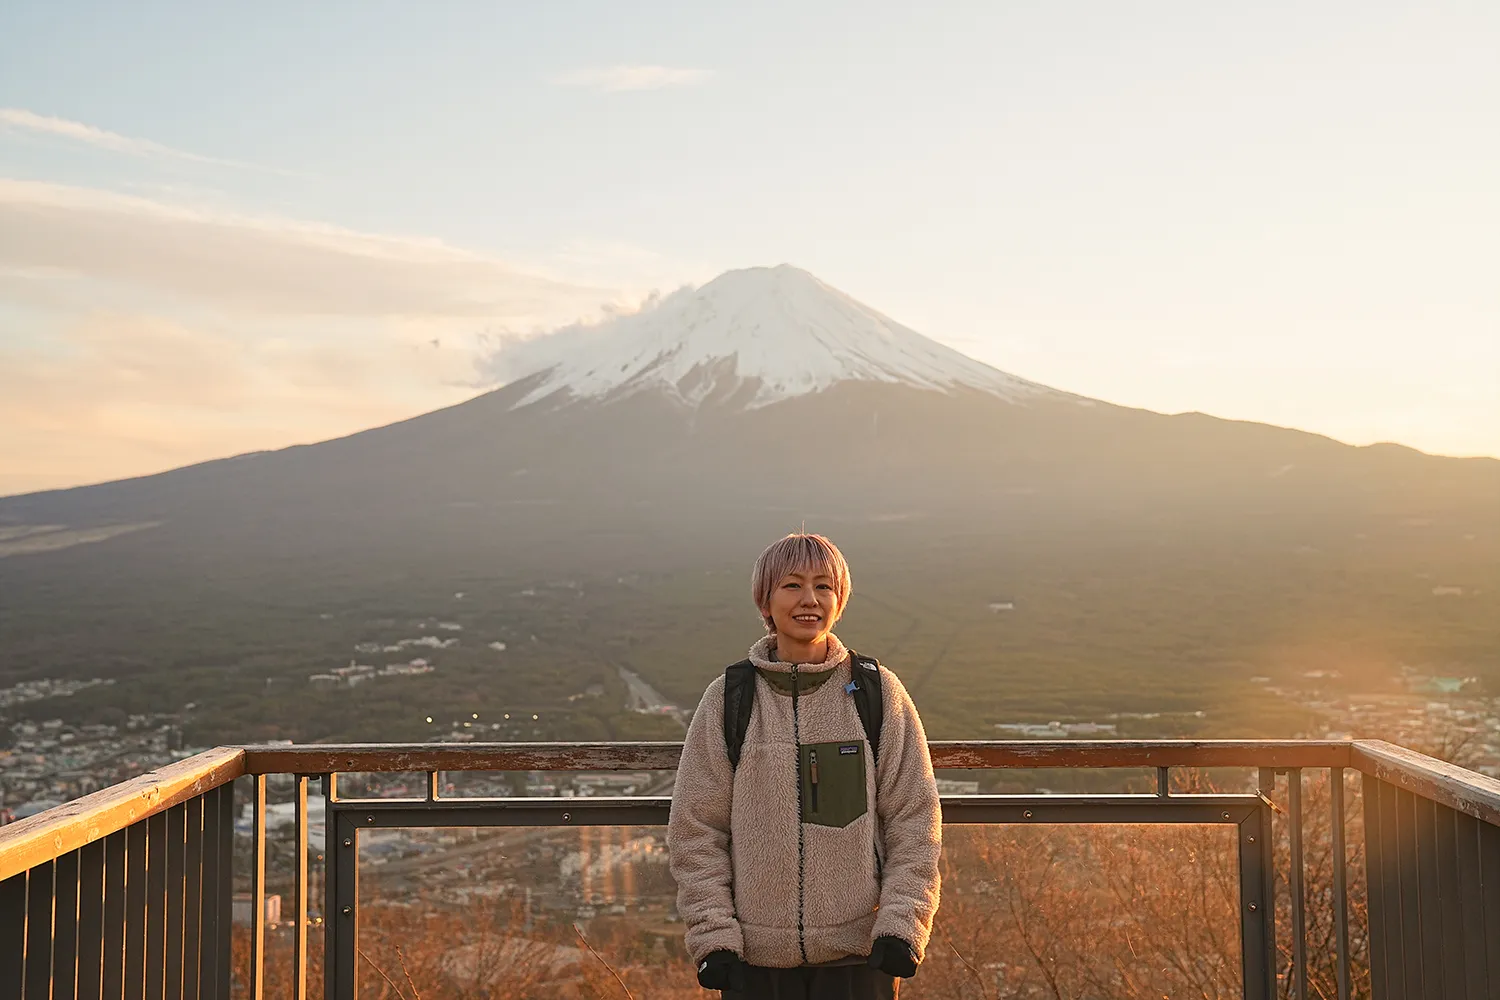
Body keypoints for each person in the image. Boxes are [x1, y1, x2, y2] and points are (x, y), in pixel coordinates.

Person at [668, 533, 942, 999]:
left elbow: (914, 818)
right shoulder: (730, 699)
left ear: (840, 600)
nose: (809, 600)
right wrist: (713, 938)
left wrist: (901, 925)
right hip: (752, 962)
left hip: (860, 957)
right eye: (792, 586)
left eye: (824, 587)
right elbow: (696, 827)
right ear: (766, 601)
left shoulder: (877, 693)